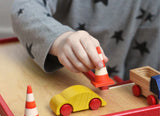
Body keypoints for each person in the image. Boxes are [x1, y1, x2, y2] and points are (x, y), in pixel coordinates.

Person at [11, 0, 160, 80]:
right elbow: (25, 7)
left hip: (120, 92)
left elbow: (148, 61)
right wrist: (60, 38)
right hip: (60, 81)